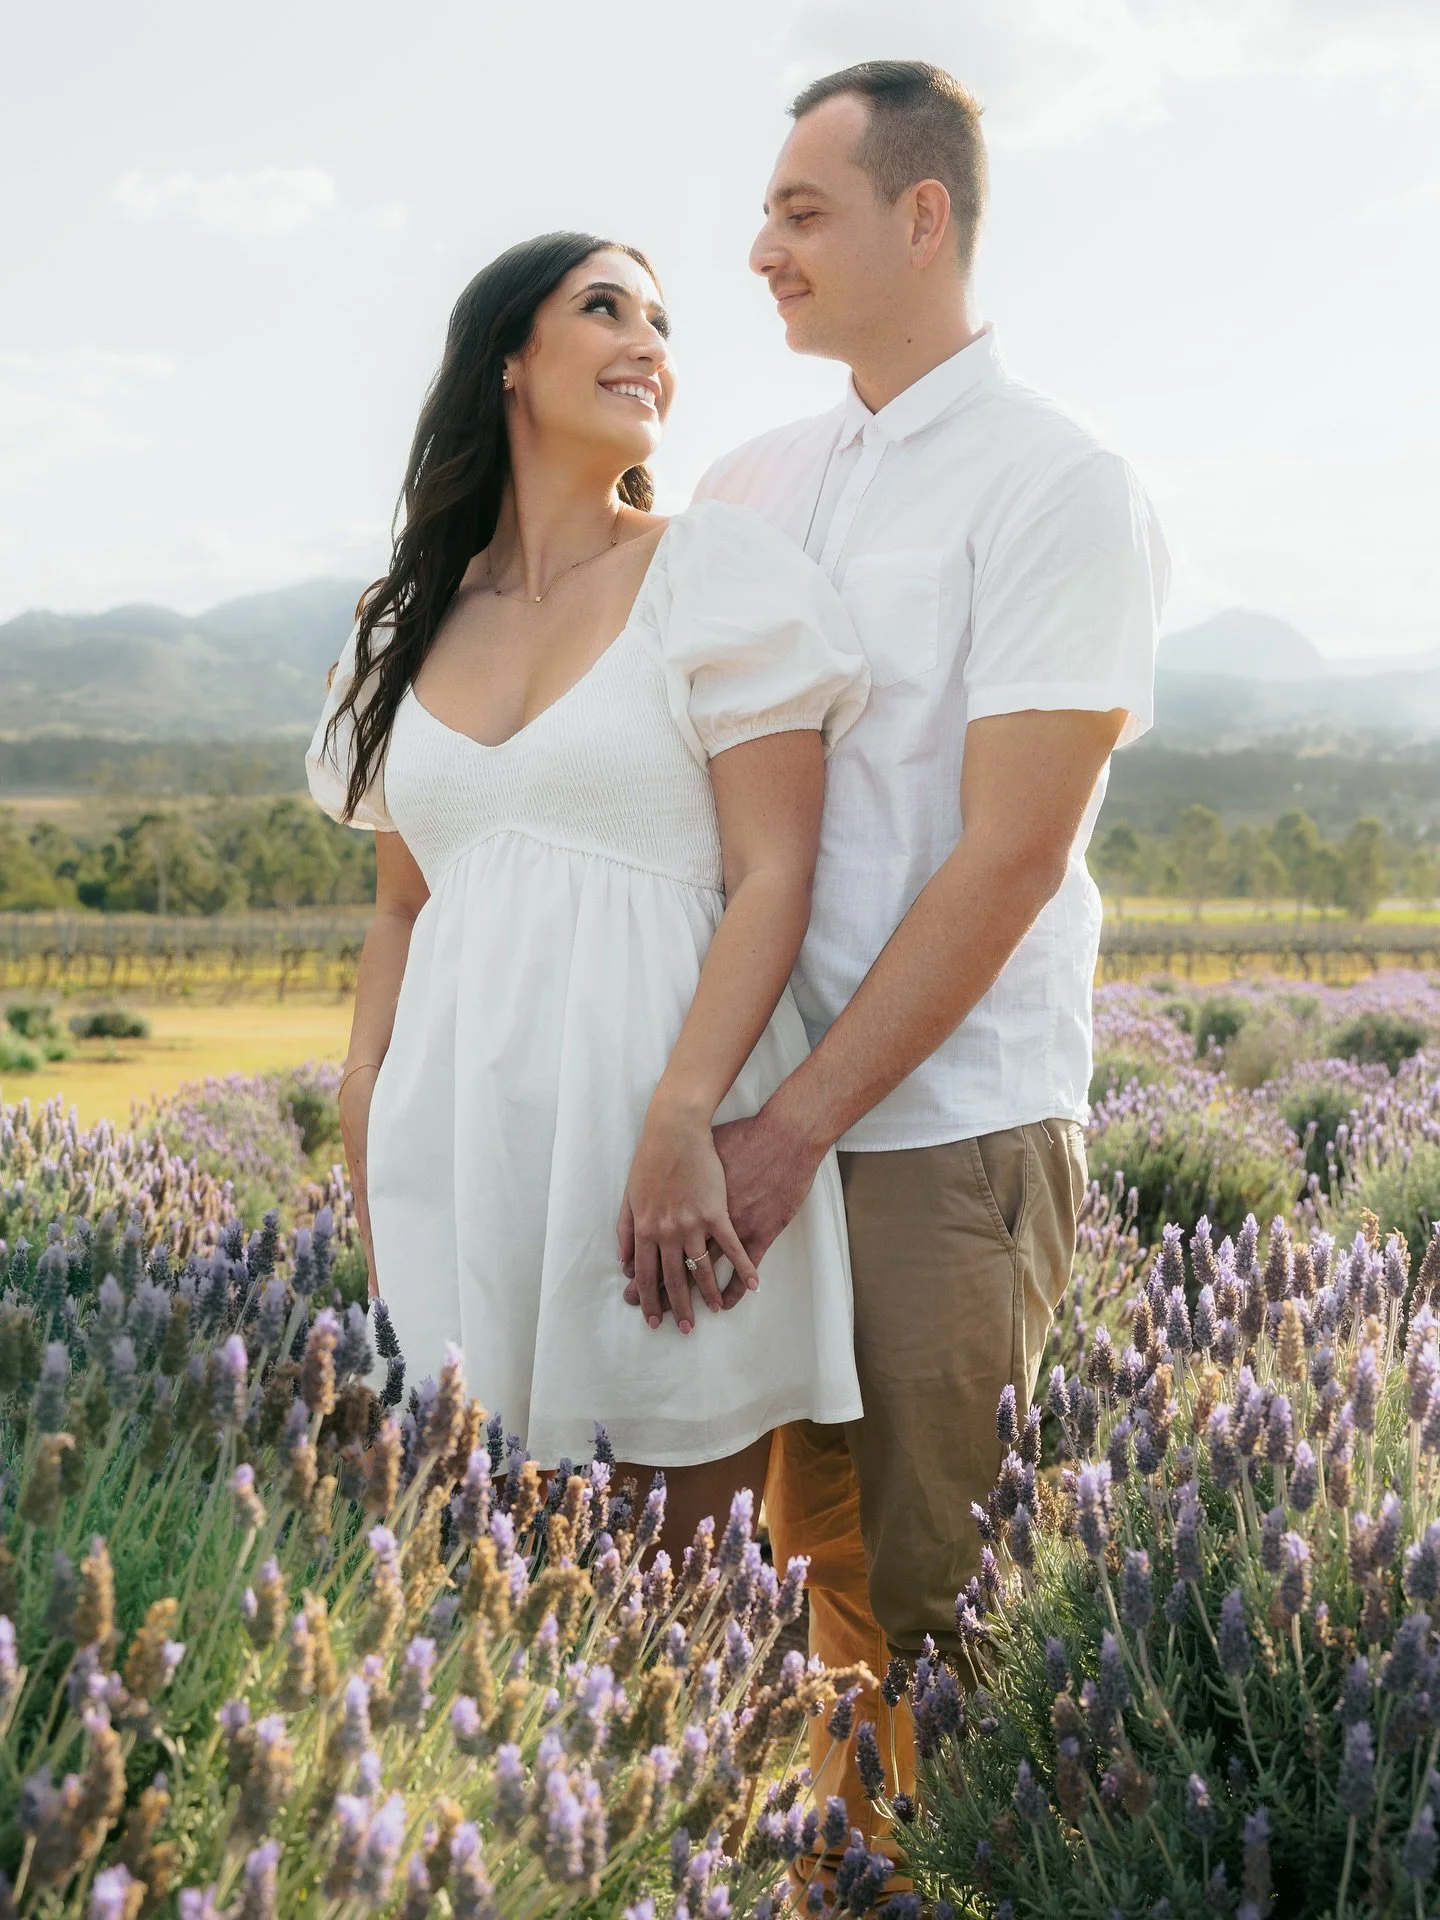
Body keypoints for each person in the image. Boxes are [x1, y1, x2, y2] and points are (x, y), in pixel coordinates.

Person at [673, 60, 1170, 1855]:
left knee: (939, 1621)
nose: (762, 251)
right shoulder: (747, 473)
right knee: (758, 1617)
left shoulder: (1059, 486)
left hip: (935, 1138)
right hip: (744, 1147)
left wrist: (796, 1123)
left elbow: (1014, 851)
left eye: (803, 213)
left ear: (923, 215)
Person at [305, 231, 871, 1553]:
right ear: (507, 358)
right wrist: (361, 1092)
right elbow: (404, 902)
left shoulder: (713, 571)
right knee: (479, 1591)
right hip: (454, 1149)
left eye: (662, 325)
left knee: (685, 1609)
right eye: (604, 308)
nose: (648, 346)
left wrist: (683, 1118)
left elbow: (772, 870)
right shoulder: (402, 624)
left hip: (658, 1150)